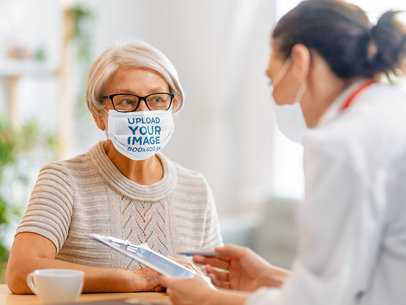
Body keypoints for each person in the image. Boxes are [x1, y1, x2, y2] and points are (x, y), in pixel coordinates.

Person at [160, 0, 406, 304]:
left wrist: (207, 298)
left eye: (271, 79)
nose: (274, 94)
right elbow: (357, 279)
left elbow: (318, 301)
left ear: (300, 61)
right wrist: (269, 277)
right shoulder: (391, 112)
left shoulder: (340, 145)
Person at [6, 40, 222, 294]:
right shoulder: (63, 180)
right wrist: (135, 279)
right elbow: (22, 272)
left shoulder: (195, 188)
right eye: (127, 101)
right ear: (99, 115)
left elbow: (215, 287)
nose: (144, 113)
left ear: (173, 107)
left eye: (156, 99)